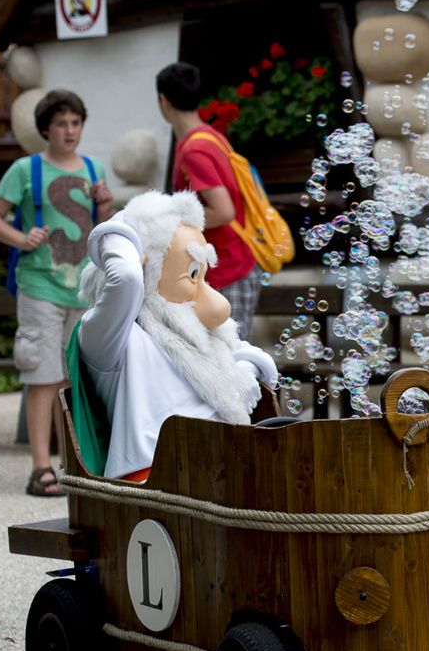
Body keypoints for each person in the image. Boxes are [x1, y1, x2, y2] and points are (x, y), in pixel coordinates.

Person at [76, 190, 279, 481]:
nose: (216, 301)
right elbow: (125, 280)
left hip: (220, 470)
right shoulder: (115, 338)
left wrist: (241, 373)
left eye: (203, 275)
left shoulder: (193, 331)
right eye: (192, 276)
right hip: (157, 481)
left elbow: (256, 357)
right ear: (144, 270)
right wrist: (126, 228)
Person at [0, 90, 113, 496]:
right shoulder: (25, 169)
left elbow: (101, 229)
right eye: (61, 124)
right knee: (42, 377)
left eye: (75, 123)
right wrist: (21, 239)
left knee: (74, 379)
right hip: (40, 285)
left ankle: (73, 463)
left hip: (83, 288)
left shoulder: (93, 168)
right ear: (46, 129)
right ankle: (40, 468)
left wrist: (105, 207)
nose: (69, 131)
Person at [155, 62, 262, 344]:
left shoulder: (194, 149)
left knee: (232, 355)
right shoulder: (210, 137)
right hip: (229, 265)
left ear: (163, 100)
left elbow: (223, 211)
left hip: (229, 267)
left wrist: (173, 222)